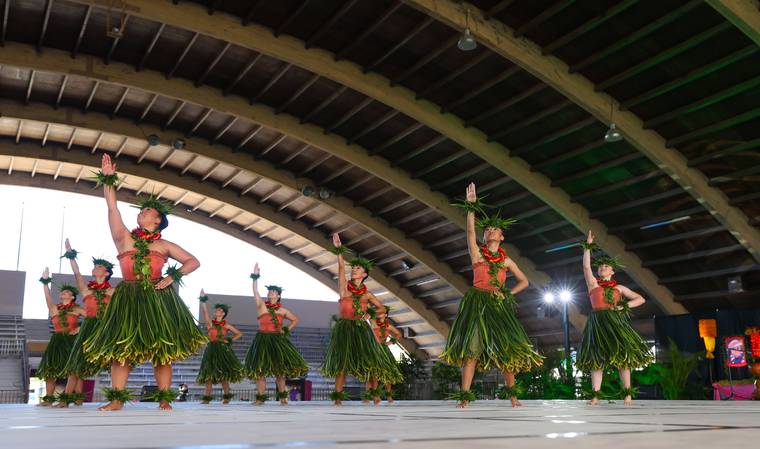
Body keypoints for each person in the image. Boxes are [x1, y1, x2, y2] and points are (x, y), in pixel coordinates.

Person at [83, 154, 206, 411]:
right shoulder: (124, 238)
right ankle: (117, 399)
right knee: (121, 349)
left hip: (158, 299)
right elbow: (113, 208)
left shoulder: (164, 245)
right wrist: (108, 179)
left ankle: (165, 398)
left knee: (162, 351)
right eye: (142, 210)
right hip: (128, 298)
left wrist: (172, 277)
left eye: (147, 210)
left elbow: (193, 261)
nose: (142, 212)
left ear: (157, 220)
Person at [442, 182, 543, 408]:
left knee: (505, 351)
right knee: (471, 351)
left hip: (497, 305)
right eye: (487, 230)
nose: (490, 231)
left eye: (495, 229)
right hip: (477, 303)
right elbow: (470, 232)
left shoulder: (506, 261)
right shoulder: (477, 254)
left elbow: (525, 281)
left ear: (502, 236)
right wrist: (471, 207)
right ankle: (465, 397)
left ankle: (513, 397)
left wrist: (507, 294)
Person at [577, 230, 653, 406]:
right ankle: (595, 396)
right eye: (600, 266)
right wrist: (588, 246)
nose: (602, 268)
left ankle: (627, 394)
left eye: (606, 266)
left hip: (615, 323)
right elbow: (586, 267)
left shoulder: (620, 288)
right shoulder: (593, 284)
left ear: (612, 271)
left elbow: (640, 299)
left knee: (622, 358)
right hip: (597, 323)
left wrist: (622, 306)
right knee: (596, 359)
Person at [321, 233, 388, 406]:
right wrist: (339, 249)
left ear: (364, 274)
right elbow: (341, 268)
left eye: (357, 268)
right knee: (342, 364)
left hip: (361, 329)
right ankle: (337, 398)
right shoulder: (344, 288)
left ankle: (375, 395)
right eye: (353, 268)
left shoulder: (367, 294)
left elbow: (382, 308)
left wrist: (370, 313)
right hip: (345, 328)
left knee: (372, 363)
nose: (354, 270)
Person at [57, 239, 115, 407]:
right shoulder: (86, 289)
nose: (95, 267)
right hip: (89, 327)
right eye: (95, 265)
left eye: (99, 266)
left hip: (105, 328)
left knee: (115, 362)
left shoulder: (113, 291)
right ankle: (66, 399)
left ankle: (116, 397)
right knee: (77, 363)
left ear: (106, 273)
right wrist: (70, 255)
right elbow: (77, 273)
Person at [245, 264, 308, 405]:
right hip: (262, 340)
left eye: (274, 292)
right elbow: (255, 291)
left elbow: (295, 319)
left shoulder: (283, 310)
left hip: (277, 341)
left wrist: (286, 330)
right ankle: (260, 398)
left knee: (279, 371)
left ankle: (283, 398)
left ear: (278, 296)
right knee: (260, 371)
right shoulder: (262, 306)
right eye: (270, 292)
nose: (271, 293)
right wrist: (255, 277)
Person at [37, 268, 80, 406]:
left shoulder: (76, 309)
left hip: (71, 342)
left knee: (72, 370)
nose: (64, 293)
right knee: (49, 370)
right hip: (56, 342)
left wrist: (80, 328)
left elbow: (94, 318)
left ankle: (65, 400)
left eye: (67, 292)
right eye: (63, 292)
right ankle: (49, 399)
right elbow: (47, 296)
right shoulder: (54, 308)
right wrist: (45, 282)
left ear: (72, 297)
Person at [197, 289, 244, 405]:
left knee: (223, 375)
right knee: (208, 375)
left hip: (222, 350)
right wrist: (203, 299)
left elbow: (239, 334)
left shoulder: (226, 325)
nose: (216, 311)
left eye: (219, 310)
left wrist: (229, 340)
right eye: (216, 310)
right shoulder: (210, 323)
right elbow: (205, 312)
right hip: (211, 349)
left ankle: (227, 397)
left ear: (223, 313)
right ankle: (206, 398)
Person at [369, 310, 404, 403]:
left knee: (388, 374)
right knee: (375, 373)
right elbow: (367, 314)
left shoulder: (388, 326)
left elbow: (399, 334)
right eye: (378, 312)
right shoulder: (373, 322)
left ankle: (389, 396)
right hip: (375, 350)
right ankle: (375, 396)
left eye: (382, 312)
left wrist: (390, 342)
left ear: (386, 315)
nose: (379, 313)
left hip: (385, 350)